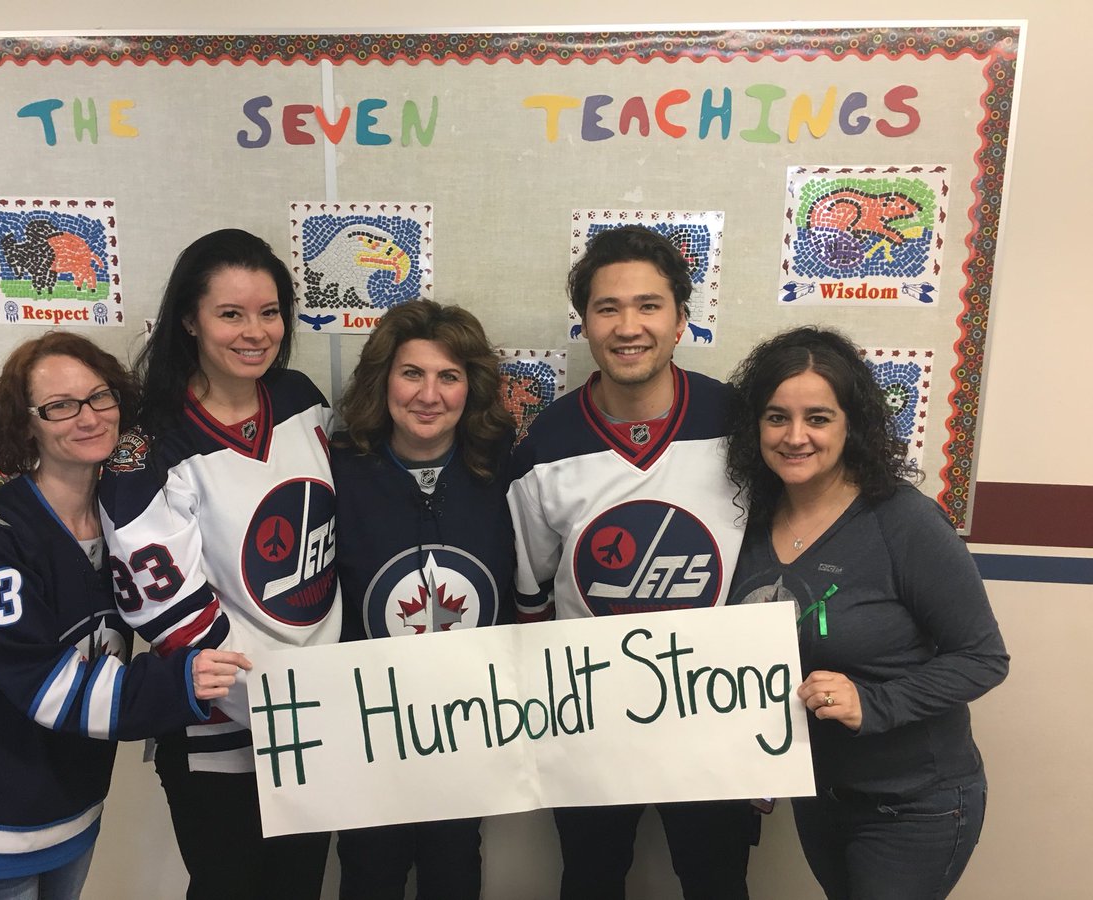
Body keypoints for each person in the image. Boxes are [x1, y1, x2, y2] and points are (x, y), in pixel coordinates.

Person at [0, 332, 247, 899]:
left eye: (100, 397)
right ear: (27, 423)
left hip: (74, 808)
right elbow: (43, 683)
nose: (87, 417)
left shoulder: (125, 527)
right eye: (60, 406)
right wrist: (178, 682)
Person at [506, 225, 756, 899]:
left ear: (681, 319)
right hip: (590, 719)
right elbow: (530, 600)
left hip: (714, 717)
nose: (628, 326)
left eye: (649, 305)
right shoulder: (545, 447)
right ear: (584, 321)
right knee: (590, 879)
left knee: (717, 882)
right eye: (607, 307)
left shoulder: (741, 425)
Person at [724, 326, 1009, 900]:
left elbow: (983, 658)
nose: (795, 436)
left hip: (913, 805)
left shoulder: (903, 521)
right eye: (777, 417)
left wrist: (874, 702)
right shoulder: (745, 523)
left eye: (818, 418)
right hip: (820, 796)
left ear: (851, 424)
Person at [98, 229, 341, 900]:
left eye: (268, 312)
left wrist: (324, 700)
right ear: (189, 320)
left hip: (318, 718)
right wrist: (281, 706)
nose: (255, 331)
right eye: (231, 314)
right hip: (222, 736)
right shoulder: (149, 446)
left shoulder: (300, 399)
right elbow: (169, 613)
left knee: (300, 889)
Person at [330, 299, 516, 899]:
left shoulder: (507, 475)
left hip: (465, 733)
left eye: (449, 376)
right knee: (369, 874)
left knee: (455, 871)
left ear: (472, 388)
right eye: (412, 373)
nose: (429, 394)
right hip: (366, 733)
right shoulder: (335, 474)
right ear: (383, 379)